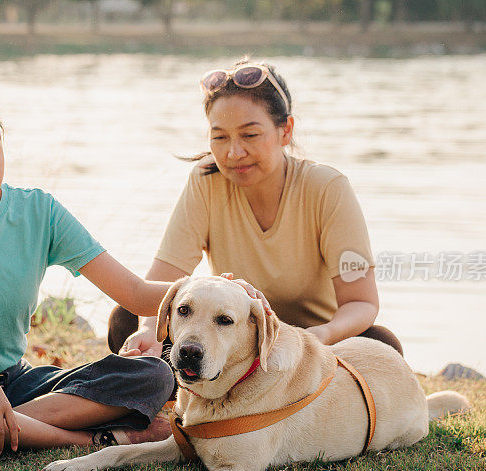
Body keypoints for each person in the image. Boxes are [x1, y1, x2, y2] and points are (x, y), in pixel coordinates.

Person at [0, 80, 267, 465]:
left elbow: (134, 292)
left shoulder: (39, 213)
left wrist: (215, 287)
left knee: (152, 375)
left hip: (17, 386)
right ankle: (82, 439)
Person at [109, 59, 403, 361]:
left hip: (312, 348)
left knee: (381, 345)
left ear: (285, 131)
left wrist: (320, 335)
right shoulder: (206, 180)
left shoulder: (328, 188)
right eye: (220, 137)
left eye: (249, 135)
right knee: (126, 321)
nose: (233, 152)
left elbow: (361, 303)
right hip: (232, 344)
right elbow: (161, 282)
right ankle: (173, 396)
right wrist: (148, 329)